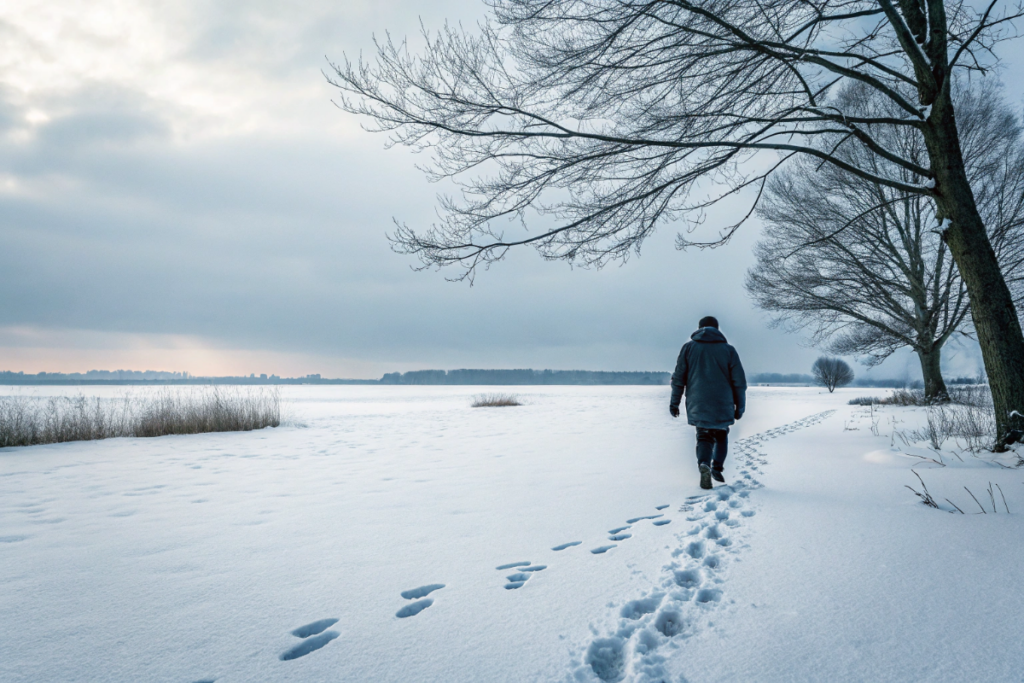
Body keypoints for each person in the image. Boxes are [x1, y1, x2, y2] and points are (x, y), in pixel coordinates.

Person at [669, 316, 747, 490]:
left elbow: (678, 379)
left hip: (698, 402)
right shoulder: (729, 350)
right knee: (721, 433)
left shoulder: (688, 348)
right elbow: (739, 382)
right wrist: (740, 407)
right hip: (723, 402)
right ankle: (717, 468)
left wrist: (674, 403)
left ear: (699, 328)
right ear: (717, 329)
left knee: (704, 435)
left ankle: (704, 463)